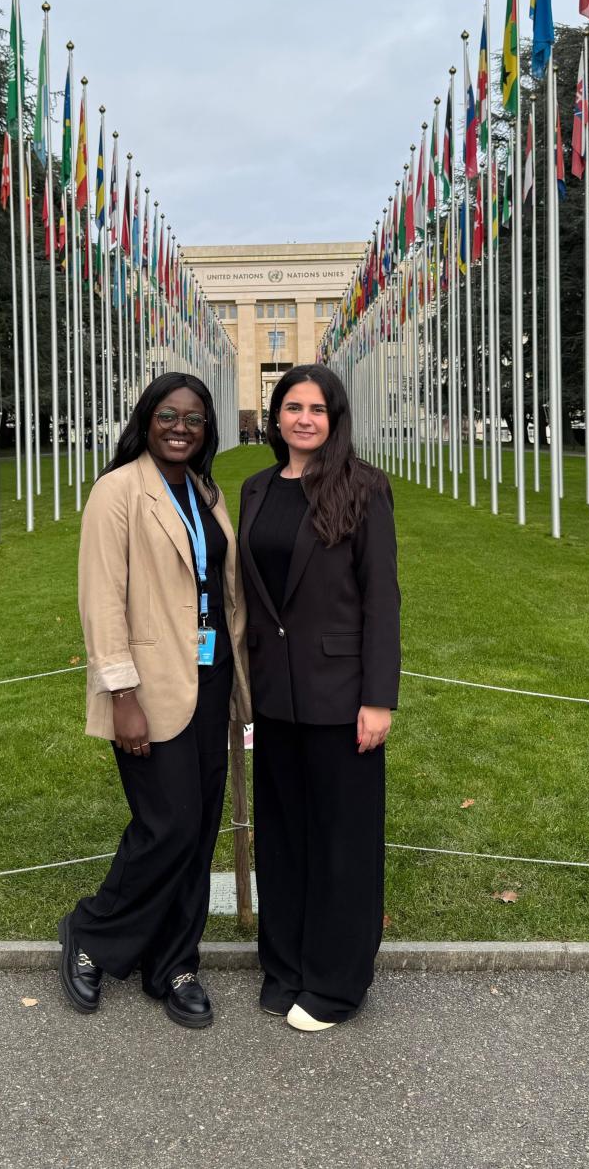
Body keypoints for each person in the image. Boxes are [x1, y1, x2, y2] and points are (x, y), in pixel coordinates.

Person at [59, 372, 251, 1030]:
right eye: (167, 414)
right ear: (146, 420)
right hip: (148, 685)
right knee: (165, 825)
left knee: (196, 832)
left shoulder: (203, 490)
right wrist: (123, 695)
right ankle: (91, 932)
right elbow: (101, 600)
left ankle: (175, 963)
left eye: (193, 418)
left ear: (206, 429)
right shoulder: (118, 491)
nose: (180, 426)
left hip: (211, 677)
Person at [238, 363, 400, 1032]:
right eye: (292, 405)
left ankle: (336, 982)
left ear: (335, 418)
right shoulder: (253, 489)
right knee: (284, 838)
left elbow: (382, 600)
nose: (304, 417)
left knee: (342, 843)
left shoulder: (362, 488)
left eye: (317, 408)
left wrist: (379, 697)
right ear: (275, 416)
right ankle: (285, 965)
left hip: (343, 698)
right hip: (277, 697)